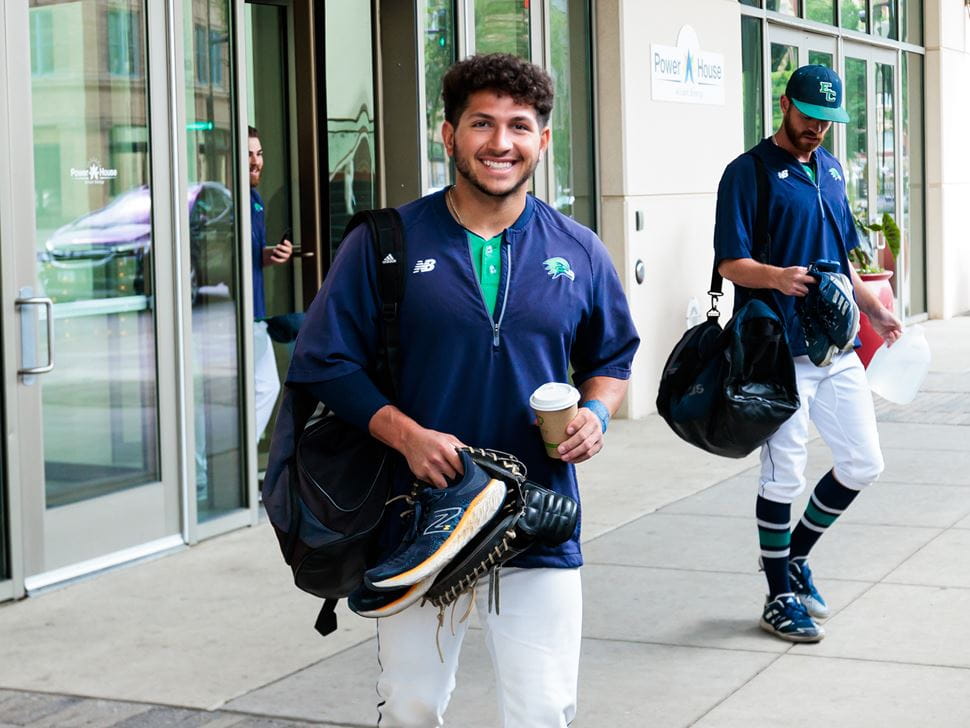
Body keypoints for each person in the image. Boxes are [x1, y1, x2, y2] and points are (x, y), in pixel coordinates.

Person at [286, 54, 639, 727]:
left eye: (518, 126)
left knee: (543, 711)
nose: (500, 142)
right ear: (447, 136)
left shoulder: (581, 249)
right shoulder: (385, 242)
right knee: (413, 707)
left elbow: (613, 357)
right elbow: (323, 361)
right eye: (482, 123)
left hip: (538, 516)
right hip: (419, 519)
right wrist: (406, 435)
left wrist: (595, 411)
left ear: (543, 140)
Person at [714, 65, 902, 643]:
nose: (817, 128)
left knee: (863, 463)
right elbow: (730, 262)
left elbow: (843, 258)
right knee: (784, 475)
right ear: (783, 104)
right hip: (779, 350)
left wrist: (872, 307)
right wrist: (775, 276)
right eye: (808, 116)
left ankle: (793, 558)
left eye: (827, 121)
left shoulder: (831, 169)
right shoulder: (748, 173)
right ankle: (778, 597)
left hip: (837, 346)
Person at [248, 126, 292, 439]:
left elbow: (248, 254)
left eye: (260, 153)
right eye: (249, 153)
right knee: (261, 387)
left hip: (255, 312)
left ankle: (238, 463)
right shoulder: (226, 201)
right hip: (233, 316)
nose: (256, 161)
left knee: (265, 387)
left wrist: (273, 254)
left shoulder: (255, 200)